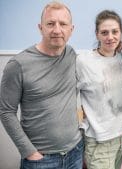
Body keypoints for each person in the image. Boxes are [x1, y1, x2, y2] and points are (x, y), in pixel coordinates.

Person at [0, 1, 83, 169]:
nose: (57, 30)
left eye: (63, 24)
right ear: (40, 27)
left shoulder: (72, 54)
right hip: (41, 160)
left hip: (75, 153)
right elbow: (6, 111)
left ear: (71, 29)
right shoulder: (18, 64)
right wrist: (30, 153)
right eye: (51, 23)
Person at [76, 10, 122, 169]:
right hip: (99, 141)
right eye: (104, 32)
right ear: (97, 34)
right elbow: (66, 95)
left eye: (115, 32)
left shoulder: (121, 57)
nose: (110, 37)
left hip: (121, 138)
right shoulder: (84, 61)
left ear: (121, 33)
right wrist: (79, 121)